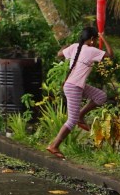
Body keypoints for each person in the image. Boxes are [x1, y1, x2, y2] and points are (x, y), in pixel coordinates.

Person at [45, 24, 108, 156]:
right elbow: (110, 55)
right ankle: (54, 145)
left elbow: (59, 54)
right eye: (95, 40)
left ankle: (81, 115)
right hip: (74, 87)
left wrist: (67, 46)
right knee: (72, 121)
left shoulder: (75, 47)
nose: (96, 42)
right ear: (91, 39)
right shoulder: (91, 50)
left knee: (101, 96)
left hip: (74, 85)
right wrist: (103, 38)